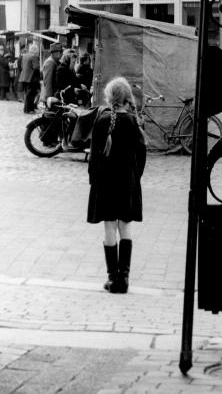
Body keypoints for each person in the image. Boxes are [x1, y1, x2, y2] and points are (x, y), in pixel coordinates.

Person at [87, 76, 146, 294]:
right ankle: (124, 278)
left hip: (106, 182)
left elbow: (94, 157)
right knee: (126, 226)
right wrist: (135, 177)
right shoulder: (132, 121)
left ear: (110, 97)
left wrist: (94, 180)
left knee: (110, 226)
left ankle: (113, 279)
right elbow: (141, 154)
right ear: (126, 98)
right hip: (127, 182)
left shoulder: (102, 121)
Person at [19, 42, 41, 113]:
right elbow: (36, 67)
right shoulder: (34, 57)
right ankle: (29, 109)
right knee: (31, 94)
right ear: (36, 51)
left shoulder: (25, 56)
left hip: (24, 77)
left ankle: (26, 109)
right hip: (32, 78)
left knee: (27, 94)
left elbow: (22, 66)